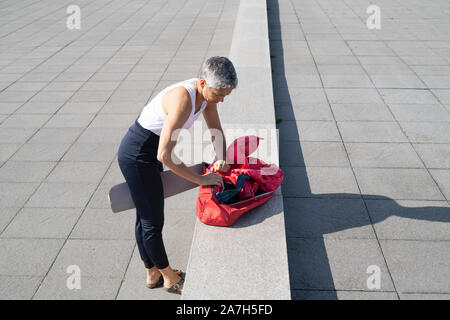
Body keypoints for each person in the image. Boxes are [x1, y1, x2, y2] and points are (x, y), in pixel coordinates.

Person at [117, 56, 238, 295]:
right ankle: (170, 278)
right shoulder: (184, 99)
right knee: (152, 222)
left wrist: (221, 157)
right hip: (138, 156)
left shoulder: (205, 96)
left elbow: (216, 129)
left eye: (226, 94)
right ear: (203, 83)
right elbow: (165, 155)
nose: (222, 99)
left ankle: (152, 274)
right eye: (219, 94)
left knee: (145, 215)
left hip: (147, 153)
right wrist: (200, 179)